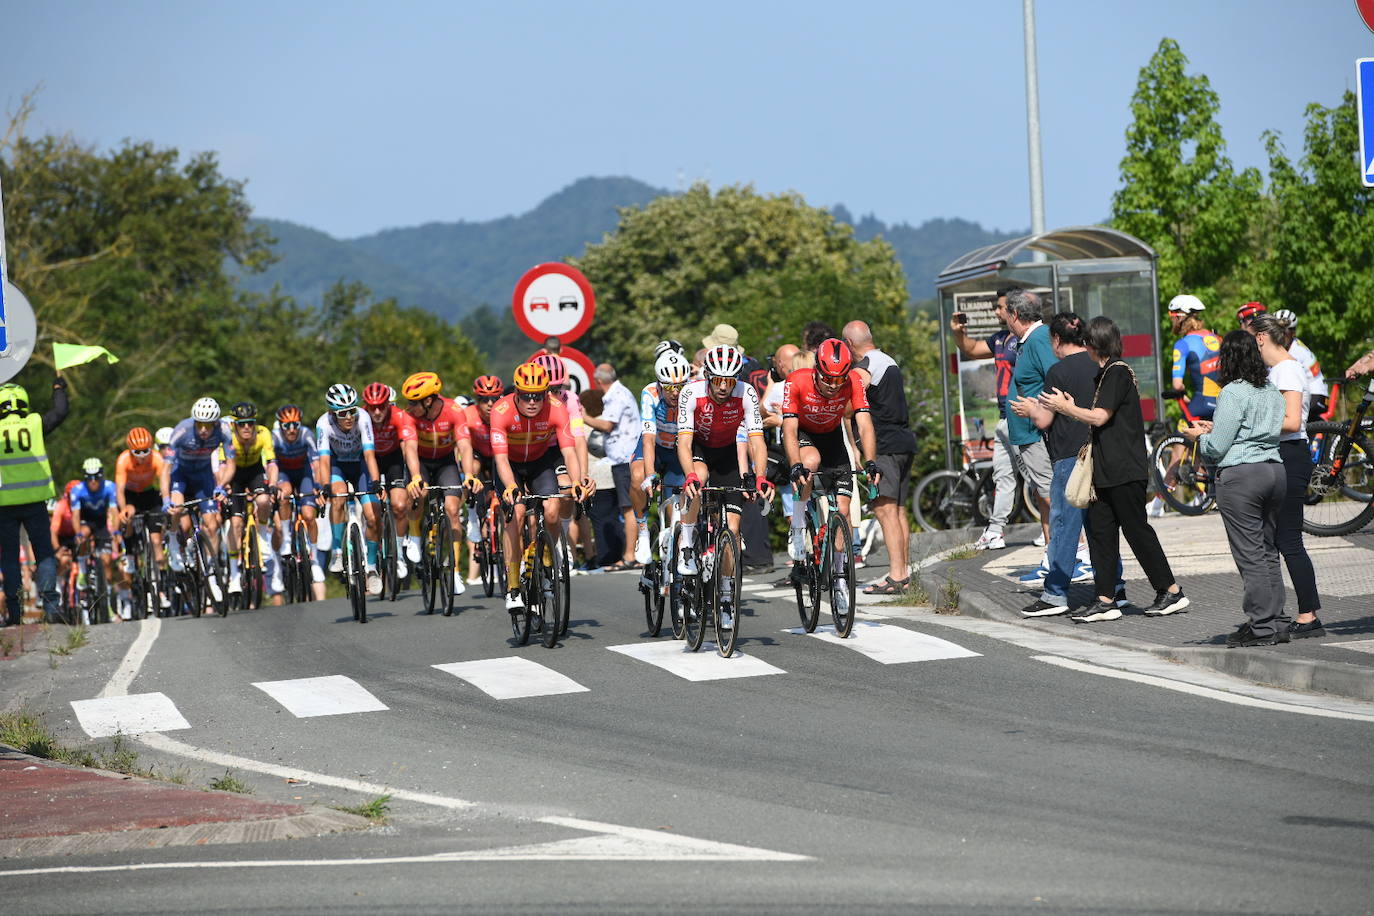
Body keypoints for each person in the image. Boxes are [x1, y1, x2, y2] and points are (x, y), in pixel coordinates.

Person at [1039, 317, 1189, 622]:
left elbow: (1098, 417)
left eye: (1087, 343)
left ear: (1094, 345)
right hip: (1105, 471)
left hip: (1124, 470)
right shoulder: (1103, 374)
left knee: (1136, 531)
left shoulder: (1117, 372)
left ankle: (1170, 591)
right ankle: (1105, 599)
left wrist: (1066, 408)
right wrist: (1070, 405)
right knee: (1101, 534)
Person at [1013, 313, 1127, 616]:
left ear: (1056, 340)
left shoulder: (1058, 372)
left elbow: (1046, 418)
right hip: (1101, 454)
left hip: (1069, 457)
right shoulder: (1103, 365)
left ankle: (1054, 594)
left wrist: (1030, 410)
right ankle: (1114, 588)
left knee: (1064, 525)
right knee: (1102, 527)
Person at [1181, 331, 1288, 646]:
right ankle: (1278, 621)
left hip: (1242, 476)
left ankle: (1261, 626)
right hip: (1274, 470)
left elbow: (1216, 449)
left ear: (1227, 359)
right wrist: (1217, 430)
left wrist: (1198, 437)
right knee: (1269, 550)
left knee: (1250, 553)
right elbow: (1254, 430)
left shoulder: (1231, 392)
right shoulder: (1270, 389)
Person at [675, 344, 772, 628]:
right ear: (707, 376)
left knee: (733, 528)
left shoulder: (747, 393)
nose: (723, 387)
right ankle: (689, 546)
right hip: (700, 449)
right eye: (717, 380)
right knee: (700, 479)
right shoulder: (691, 392)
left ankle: (727, 596)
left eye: (729, 381)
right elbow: (683, 442)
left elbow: (756, 439)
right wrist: (690, 474)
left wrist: (760, 475)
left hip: (728, 455)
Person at [1246, 314, 1324, 638]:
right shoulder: (1277, 370)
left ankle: (1309, 616)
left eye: (1250, 337)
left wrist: (1248, 427)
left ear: (1262, 337)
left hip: (1291, 455)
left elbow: (1292, 422)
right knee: (1278, 538)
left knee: (1289, 538)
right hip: (1281, 455)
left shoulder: (1287, 369)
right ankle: (1283, 612)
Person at [782, 339, 881, 590]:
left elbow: (865, 424)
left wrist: (871, 462)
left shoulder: (853, 382)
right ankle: (797, 524)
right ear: (817, 370)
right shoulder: (797, 380)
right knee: (811, 461)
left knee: (844, 512)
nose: (833, 387)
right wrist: (795, 465)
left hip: (833, 438)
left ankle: (839, 575)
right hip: (804, 434)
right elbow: (789, 430)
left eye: (839, 380)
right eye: (828, 379)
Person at [492, 362, 590, 615]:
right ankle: (513, 587)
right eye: (526, 396)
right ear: (516, 393)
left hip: (539, 462)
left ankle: (546, 557)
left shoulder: (556, 409)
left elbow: (568, 451)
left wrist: (578, 480)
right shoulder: (500, 410)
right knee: (517, 514)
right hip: (509, 465)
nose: (533, 401)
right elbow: (501, 459)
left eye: (539, 395)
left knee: (553, 508)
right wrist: (512, 486)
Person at [843, 321, 917, 595]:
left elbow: (852, 405)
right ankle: (902, 572)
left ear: (849, 345)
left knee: (885, 511)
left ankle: (897, 575)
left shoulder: (864, 366)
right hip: (904, 441)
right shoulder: (889, 360)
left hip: (884, 445)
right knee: (897, 510)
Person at [949, 286, 1020, 550]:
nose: (995, 311)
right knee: (1002, 476)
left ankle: (1059, 537)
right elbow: (972, 349)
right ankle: (996, 530)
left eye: (1000, 307)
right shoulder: (1001, 339)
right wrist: (958, 332)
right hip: (1004, 418)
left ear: (1014, 309)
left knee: (1039, 481)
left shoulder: (1028, 340)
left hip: (1022, 416)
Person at [0, 377, 68, 626]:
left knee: (8, 558)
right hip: (35, 500)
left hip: (4, 504)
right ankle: (51, 608)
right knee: (44, 555)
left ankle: (15, 614)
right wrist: (59, 388)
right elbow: (60, 412)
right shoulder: (35, 422)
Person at [401, 371, 472, 598]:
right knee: (417, 494)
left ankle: (455, 571)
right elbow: (410, 448)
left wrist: (469, 474)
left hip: (445, 463)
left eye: (414, 402)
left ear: (428, 400)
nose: (409, 407)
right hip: (420, 463)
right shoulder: (409, 416)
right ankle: (414, 536)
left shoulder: (454, 411)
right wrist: (414, 477)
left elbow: (465, 445)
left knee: (453, 510)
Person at [162, 397, 235, 605]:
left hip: (203, 476)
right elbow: (165, 470)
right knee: (176, 509)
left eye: (208, 425)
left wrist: (222, 484)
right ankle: (174, 543)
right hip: (181, 475)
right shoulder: (182, 431)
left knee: (213, 524)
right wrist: (166, 498)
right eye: (199, 424)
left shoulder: (223, 431)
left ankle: (211, 570)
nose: (203, 430)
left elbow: (231, 464)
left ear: (215, 423)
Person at [315, 383, 383, 596]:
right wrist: (325, 487)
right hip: (337, 466)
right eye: (343, 413)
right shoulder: (323, 424)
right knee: (338, 498)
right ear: (331, 413)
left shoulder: (363, 417)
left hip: (360, 464)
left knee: (373, 517)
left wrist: (375, 482)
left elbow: (370, 454)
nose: (349, 417)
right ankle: (336, 551)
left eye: (352, 410)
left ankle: (371, 569)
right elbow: (324, 461)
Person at [1002, 289, 1055, 555]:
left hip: (1036, 431)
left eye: (1005, 315)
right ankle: (1052, 555)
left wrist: (1036, 407)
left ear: (1014, 315)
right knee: (1040, 494)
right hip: (1027, 433)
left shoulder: (1039, 339)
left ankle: (1076, 550)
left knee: (1049, 493)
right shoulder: (1028, 341)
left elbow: (1055, 378)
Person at [583, 363, 641, 570]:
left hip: (624, 460)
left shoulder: (616, 396)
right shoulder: (620, 393)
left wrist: (584, 417)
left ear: (599, 380)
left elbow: (607, 424)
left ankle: (629, 555)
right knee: (629, 508)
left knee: (629, 508)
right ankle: (631, 554)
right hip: (624, 458)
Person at [221, 401, 281, 596]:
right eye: (242, 423)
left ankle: (262, 535)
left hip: (254, 471)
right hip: (234, 475)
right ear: (234, 424)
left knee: (263, 501)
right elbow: (223, 467)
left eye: (250, 423)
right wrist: (223, 486)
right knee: (236, 524)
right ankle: (234, 575)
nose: (246, 427)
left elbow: (271, 463)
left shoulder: (263, 434)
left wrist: (272, 484)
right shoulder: (228, 437)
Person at [363, 382, 421, 581]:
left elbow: (408, 448)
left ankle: (397, 554)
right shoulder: (361, 418)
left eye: (382, 406)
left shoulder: (400, 416)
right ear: (366, 406)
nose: (377, 411)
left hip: (393, 459)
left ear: (389, 404)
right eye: (372, 407)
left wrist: (414, 476)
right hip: (369, 459)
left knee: (399, 505)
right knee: (373, 512)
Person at [272, 405, 326, 594]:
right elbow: (271, 466)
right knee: (285, 494)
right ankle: (286, 539)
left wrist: (318, 487)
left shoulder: (305, 435)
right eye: (287, 426)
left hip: (304, 473)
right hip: (284, 474)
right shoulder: (275, 438)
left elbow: (316, 464)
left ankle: (314, 559)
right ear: (280, 426)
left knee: (309, 516)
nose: (292, 429)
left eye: (295, 424)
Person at [115, 427, 169, 611]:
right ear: (130, 450)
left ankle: (161, 590)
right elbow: (120, 490)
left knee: (155, 541)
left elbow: (163, 482)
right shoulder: (123, 460)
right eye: (137, 452)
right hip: (130, 497)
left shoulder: (157, 458)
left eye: (146, 450)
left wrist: (167, 500)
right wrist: (123, 510)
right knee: (128, 516)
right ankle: (130, 554)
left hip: (148, 495)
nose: (142, 455)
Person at [1268, 309, 1328, 420]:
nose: (1280, 335)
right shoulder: (1279, 348)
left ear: (1293, 333)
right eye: (1276, 331)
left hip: (1316, 394)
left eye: (1284, 332)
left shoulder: (1299, 352)